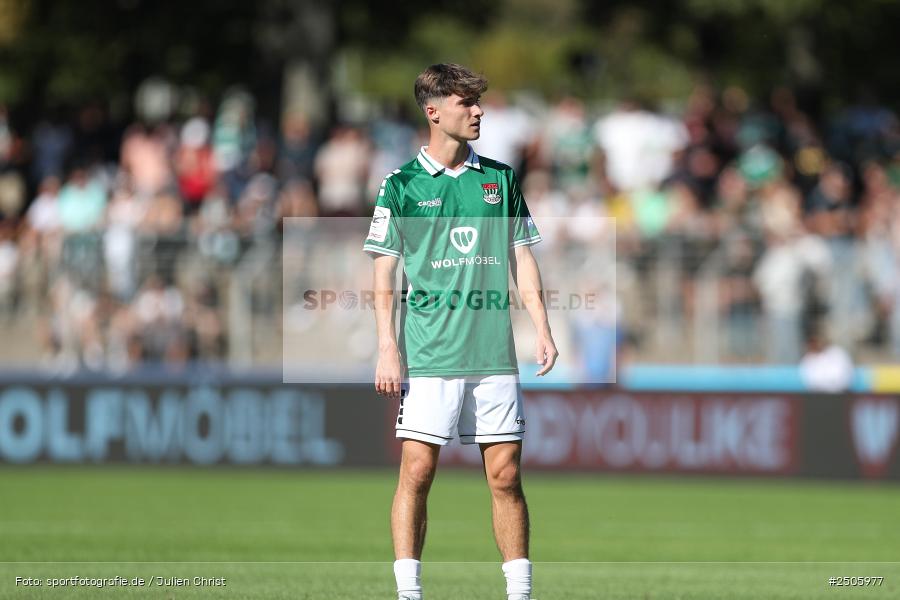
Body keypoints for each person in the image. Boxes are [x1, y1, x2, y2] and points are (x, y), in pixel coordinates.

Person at [363, 63, 558, 600]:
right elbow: (384, 268)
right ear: (433, 111)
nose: (478, 111)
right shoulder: (401, 185)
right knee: (418, 471)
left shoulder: (499, 179)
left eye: (478, 102)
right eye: (465, 102)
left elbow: (523, 256)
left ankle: (519, 594)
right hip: (429, 355)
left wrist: (542, 328)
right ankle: (410, 593)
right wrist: (387, 347)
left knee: (505, 477)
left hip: (493, 354)